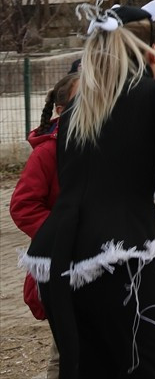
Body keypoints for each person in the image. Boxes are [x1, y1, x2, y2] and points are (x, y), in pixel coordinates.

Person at [21, 0, 155, 379]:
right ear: (153, 51)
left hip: (59, 258)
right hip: (119, 256)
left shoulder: (81, 104)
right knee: (140, 367)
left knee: (86, 368)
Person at [9, 71, 77, 379]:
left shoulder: (101, 148)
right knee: (65, 349)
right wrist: (66, 235)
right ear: (62, 111)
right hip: (63, 264)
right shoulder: (47, 153)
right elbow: (23, 206)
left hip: (98, 261)